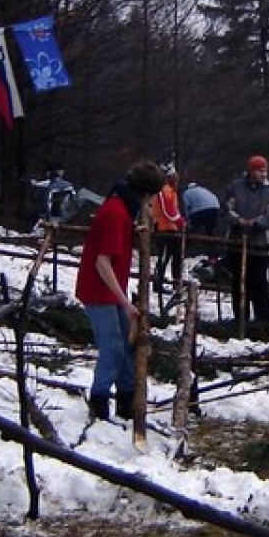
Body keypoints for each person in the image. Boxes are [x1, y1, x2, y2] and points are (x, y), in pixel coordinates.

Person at [75, 159, 165, 421]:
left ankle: (126, 399)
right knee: (113, 346)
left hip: (111, 290)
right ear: (146, 193)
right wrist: (125, 302)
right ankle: (99, 399)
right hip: (98, 290)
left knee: (127, 342)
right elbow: (102, 262)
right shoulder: (116, 213)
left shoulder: (123, 208)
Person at [222, 155, 269, 329]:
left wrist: (259, 222)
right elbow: (226, 209)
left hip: (261, 245)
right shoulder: (235, 187)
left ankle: (264, 320)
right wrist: (238, 221)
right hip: (237, 244)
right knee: (238, 283)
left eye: (265, 170)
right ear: (251, 171)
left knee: (260, 282)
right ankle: (241, 318)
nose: (263, 174)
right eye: (259, 170)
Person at [151, 164, 186, 294]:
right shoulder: (163, 191)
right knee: (164, 257)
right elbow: (168, 211)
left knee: (176, 257)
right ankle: (157, 282)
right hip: (163, 229)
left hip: (171, 229)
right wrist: (180, 221)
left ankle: (176, 283)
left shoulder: (172, 192)